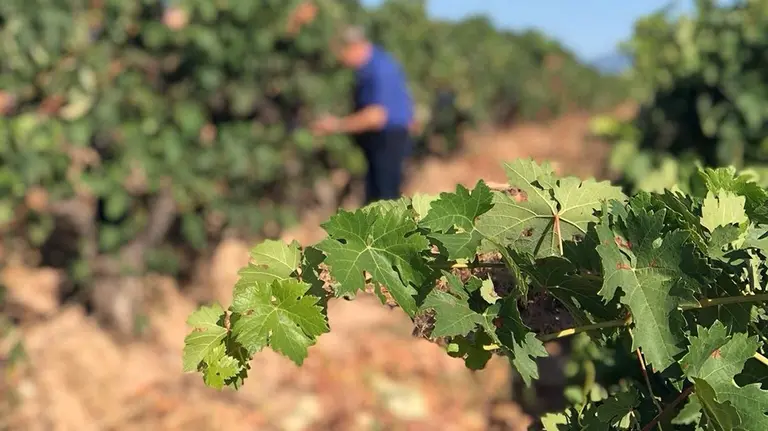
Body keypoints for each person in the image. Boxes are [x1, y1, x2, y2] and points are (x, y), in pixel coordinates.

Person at [289, 3, 415, 204]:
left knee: (384, 200)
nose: (340, 58)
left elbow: (376, 116)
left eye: (341, 51)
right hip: (384, 138)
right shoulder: (370, 67)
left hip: (388, 138)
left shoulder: (379, 70)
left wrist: (336, 125)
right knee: (376, 199)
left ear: (355, 47)